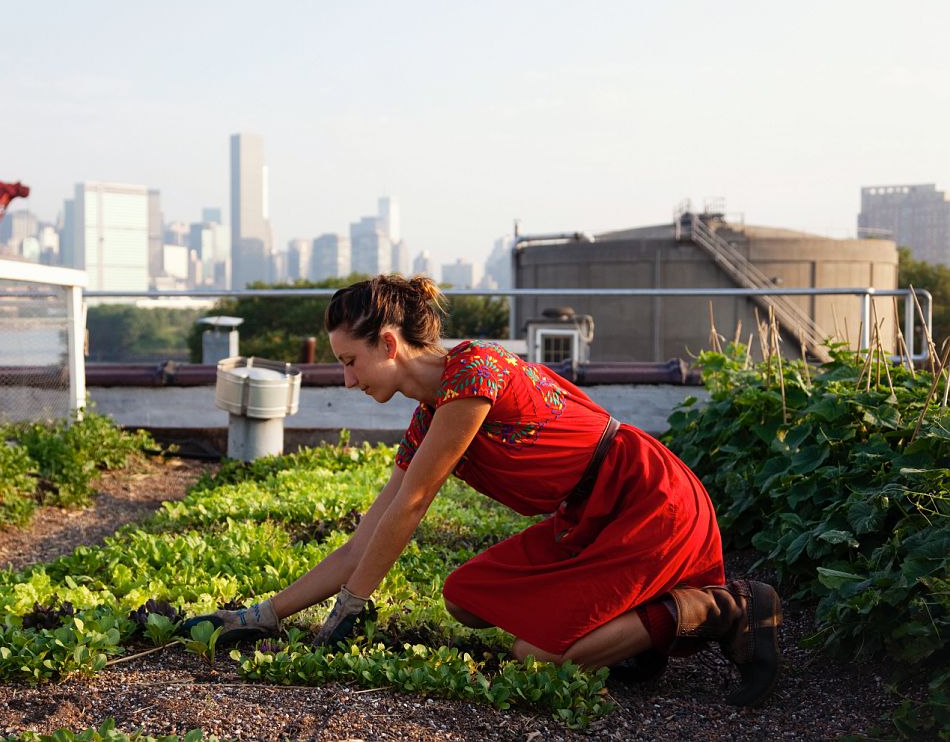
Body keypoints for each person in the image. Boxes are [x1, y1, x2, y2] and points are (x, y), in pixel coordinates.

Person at [183, 274, 781, 706]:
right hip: (586, 518)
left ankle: (724, 607)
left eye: (350, 361)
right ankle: (630, 632)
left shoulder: (473, 375)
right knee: (465, 595)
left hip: (647, 500)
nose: (346, 379)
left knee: (538, 659)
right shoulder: (426, 420)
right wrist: (264, 614)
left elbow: (412, 507)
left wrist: (350, 610)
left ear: (389, 344)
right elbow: (364, 539)